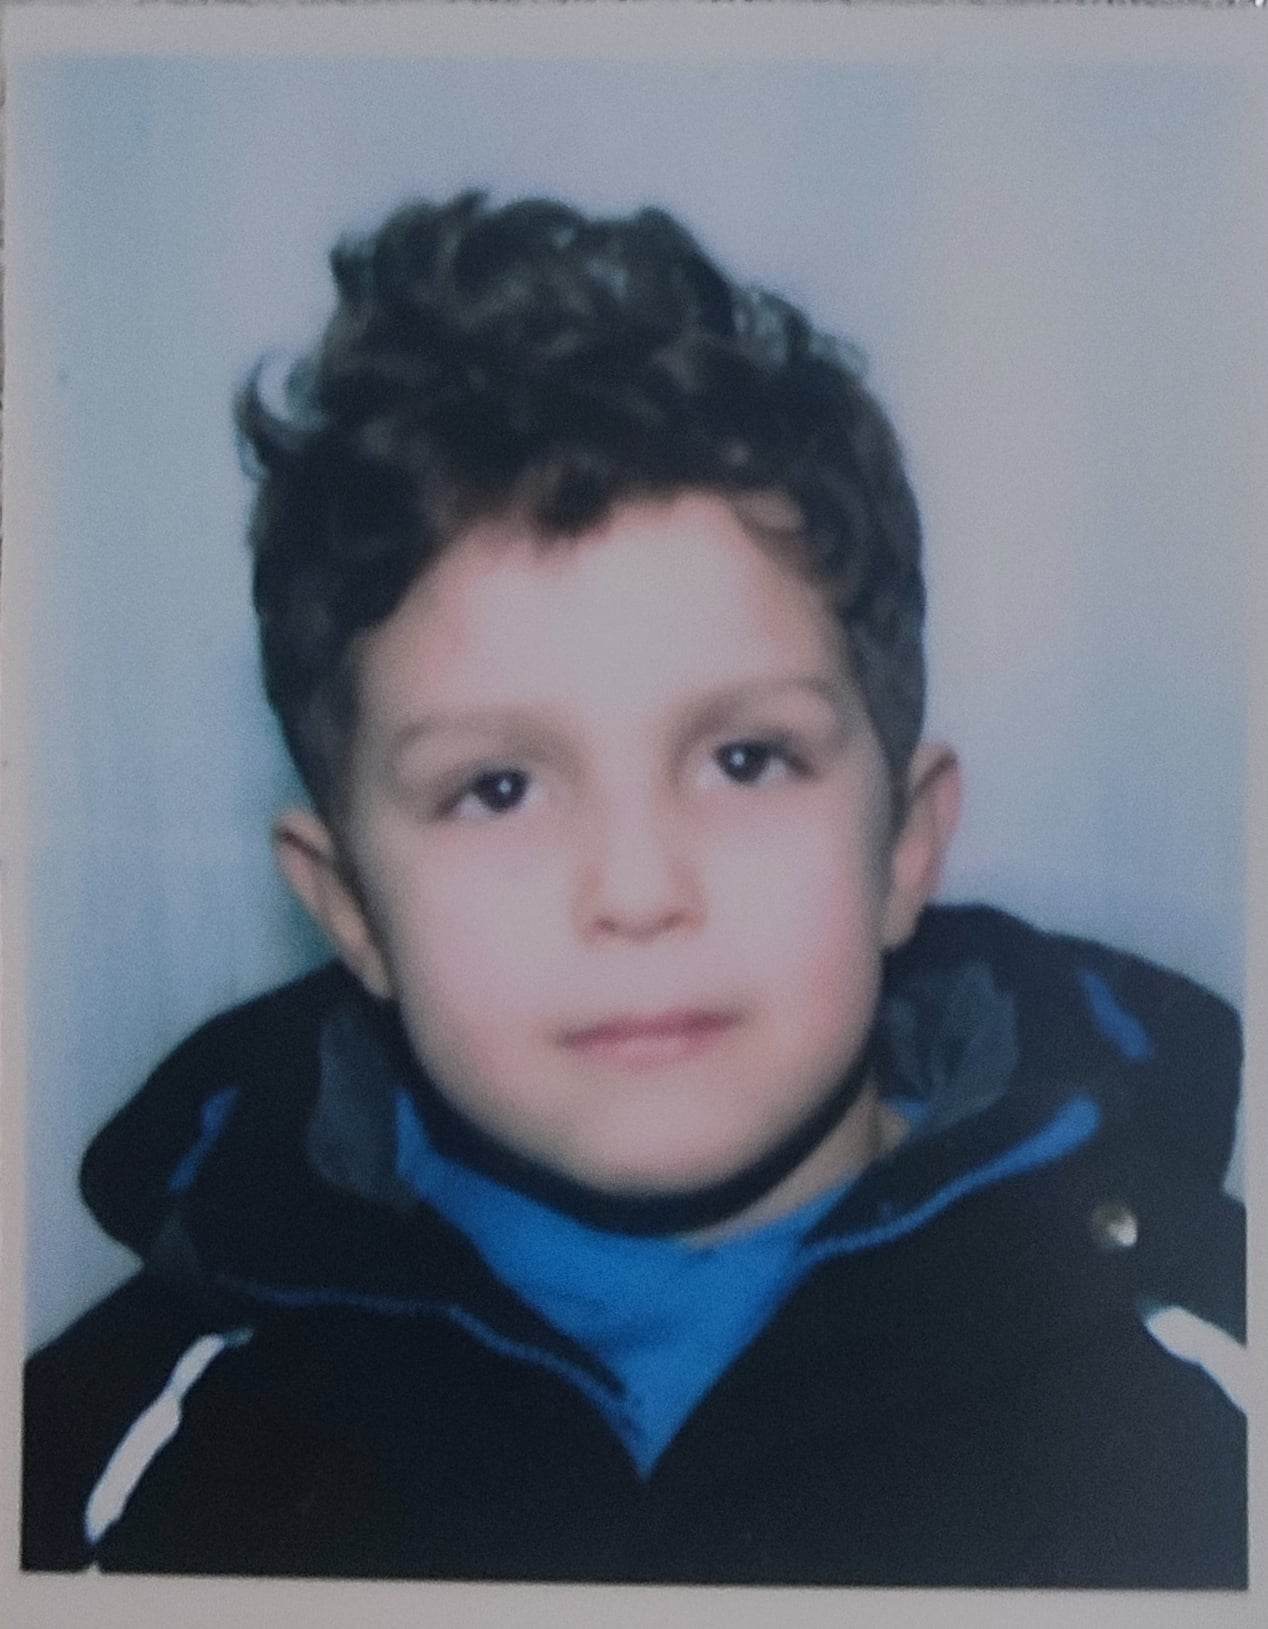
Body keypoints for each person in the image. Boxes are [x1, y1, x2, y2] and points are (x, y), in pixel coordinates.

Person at [22, 192, 1245, 1586]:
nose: (640, 888)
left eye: (745, 758)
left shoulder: (1207, 1417)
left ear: (906, 846)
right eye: (498, 788)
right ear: (348, 905)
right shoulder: (102, 1477)